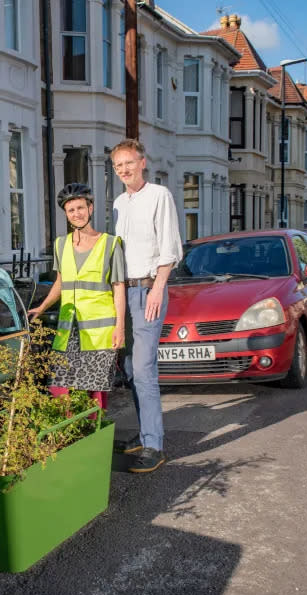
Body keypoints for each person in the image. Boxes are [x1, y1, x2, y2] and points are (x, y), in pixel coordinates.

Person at [111, 139, 183, 473]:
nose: (123, 170)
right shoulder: (118, 204)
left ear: (143, 162)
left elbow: (169, 246)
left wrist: (158, 287)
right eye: (117, 166)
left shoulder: (159, 196)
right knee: (128, 369)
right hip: (124, 293)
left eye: (128, 163)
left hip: (148, 290)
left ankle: (154, 445)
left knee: (143, 369)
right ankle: (144, 433)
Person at [28, 183, 126, 411]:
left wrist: (120, 327)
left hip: (100, 331)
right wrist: (41, 308)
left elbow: (119, 287)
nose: (76, 214)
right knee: (59, 386)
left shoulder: (111, 244)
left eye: (80, 208)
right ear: (66, 214)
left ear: (90, 208)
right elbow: (61, 283)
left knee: (94, 390)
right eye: (71, 210)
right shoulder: (61, 245)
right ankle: (69, 436)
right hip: (68, 328)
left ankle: (94, 437)